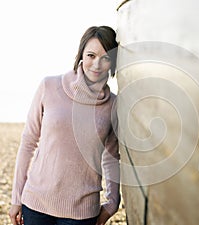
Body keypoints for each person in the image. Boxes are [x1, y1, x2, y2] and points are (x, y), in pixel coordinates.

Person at [9, 26, 120, 225]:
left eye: (106, 58)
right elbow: (28, 142)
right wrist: (16, 198)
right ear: (80, 55)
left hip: (82, 213)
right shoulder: (49, 86)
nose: (97, 64)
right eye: (91, 55)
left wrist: (113, 203)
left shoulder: (113, 105)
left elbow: (111, 157)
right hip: (35, 205)